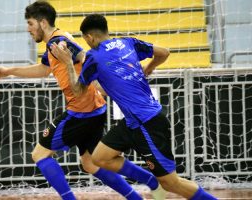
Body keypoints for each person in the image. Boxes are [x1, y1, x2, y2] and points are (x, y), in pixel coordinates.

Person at [0, 1, 166, 200]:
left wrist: (110, 84)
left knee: (39, 154)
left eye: (30, 24)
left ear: (42, 22)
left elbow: (85, 56)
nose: (28, 29)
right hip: (95, 108)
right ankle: (149, 184)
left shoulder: (57, 42)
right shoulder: (56, 42)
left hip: (81, 110)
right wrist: (9, 71)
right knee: (90, 164)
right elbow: (43, 69)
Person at [50, 13, 218, 200]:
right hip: (132, 122)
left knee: (171, 183)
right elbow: (164, 53)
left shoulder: (94, 57)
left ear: (89, 37)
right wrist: (149, 68)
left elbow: (78, 91)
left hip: (147, 123)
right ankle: (149, 179)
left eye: (86, 40)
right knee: (99, 158)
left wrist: (67, 63)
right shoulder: (128, 42)